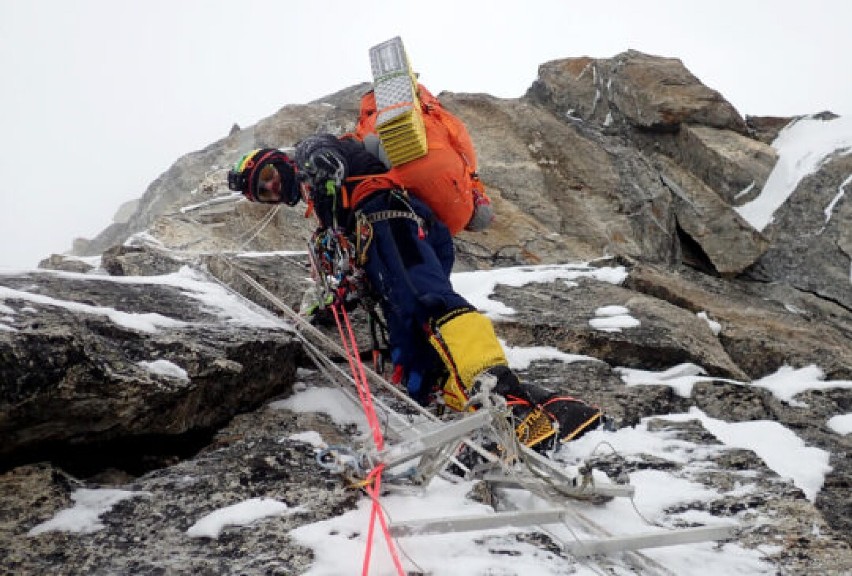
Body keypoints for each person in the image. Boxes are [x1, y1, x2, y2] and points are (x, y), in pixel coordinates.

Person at [227, 88, 607, 452]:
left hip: (387, 219)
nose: (273, 187)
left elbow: (325, 154)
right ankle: (545, 406)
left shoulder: (312, 152)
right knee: (414, 354)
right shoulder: (325, 214)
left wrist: (320, 168)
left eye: (268, 175)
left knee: (430, 303)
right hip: (392, 241)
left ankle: (506, 399)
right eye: (264, 192)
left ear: (281, 160)